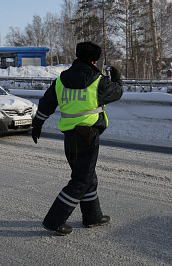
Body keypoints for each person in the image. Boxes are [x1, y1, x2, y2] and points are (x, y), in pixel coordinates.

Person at [32, 41, 123, 236]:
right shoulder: (98, 81)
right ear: (94, 60)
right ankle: (54, 220)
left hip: (69, 137)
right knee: (81, 180)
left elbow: (46, 103)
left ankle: (92, 216)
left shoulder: (60, 80)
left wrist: (37, 123)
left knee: (87, 176)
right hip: (88, 135)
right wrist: (117, 78)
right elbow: (117, 93)